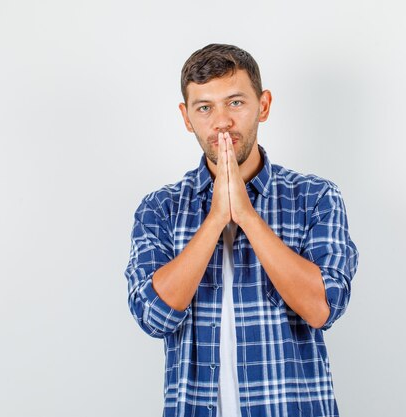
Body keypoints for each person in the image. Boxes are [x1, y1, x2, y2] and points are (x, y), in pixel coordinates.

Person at [124, 43, 359, 417]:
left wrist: (248, 216)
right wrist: (216, 218)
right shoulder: (160, 208)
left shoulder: (316, 197)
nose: (221, 122)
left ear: (263, 105)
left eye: (235, 103)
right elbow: (154, 316)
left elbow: (321, 309)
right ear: (187, 117)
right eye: (205, 108)